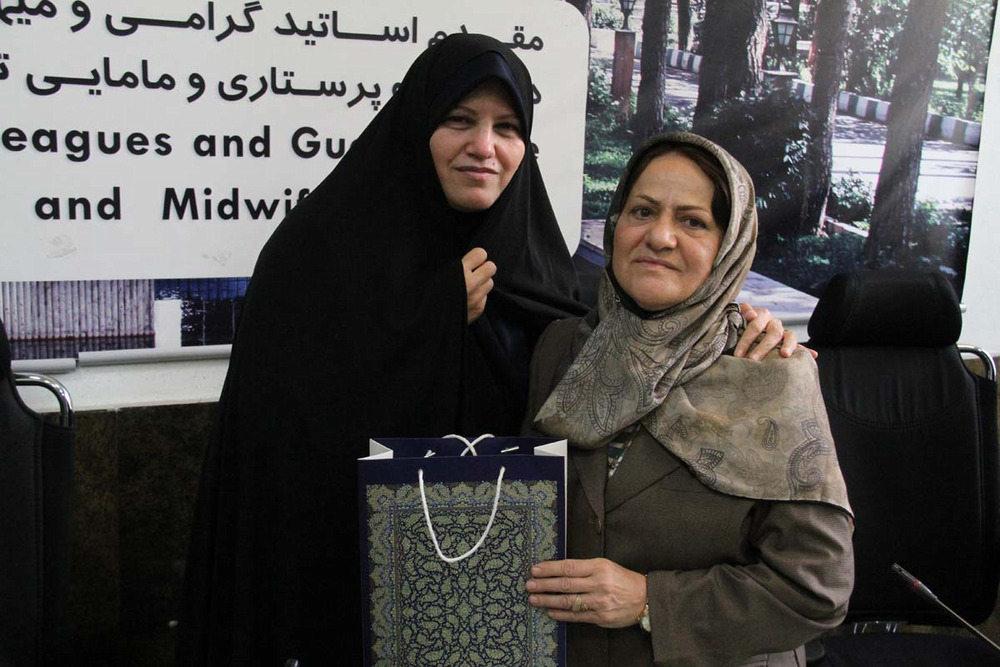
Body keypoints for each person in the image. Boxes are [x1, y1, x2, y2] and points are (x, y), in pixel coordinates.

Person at [176, 35, 801, 665]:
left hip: (499, 608)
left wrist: (738, 330)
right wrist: (421, 316)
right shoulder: (315, 252)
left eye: (507, 127)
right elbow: (277, 435)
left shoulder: (544, 269)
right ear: (418, 125)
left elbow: (653, 330)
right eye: (459, 120)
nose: (484, 146)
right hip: (337, 585)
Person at [523, 133, 854, 667]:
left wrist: (650, 602)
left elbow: (817, 589)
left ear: (729, 246)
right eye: (643, 211)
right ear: (615, 225)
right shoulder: (561, 349)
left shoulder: (772, 373)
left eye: (693, 221)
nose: (660, 236)